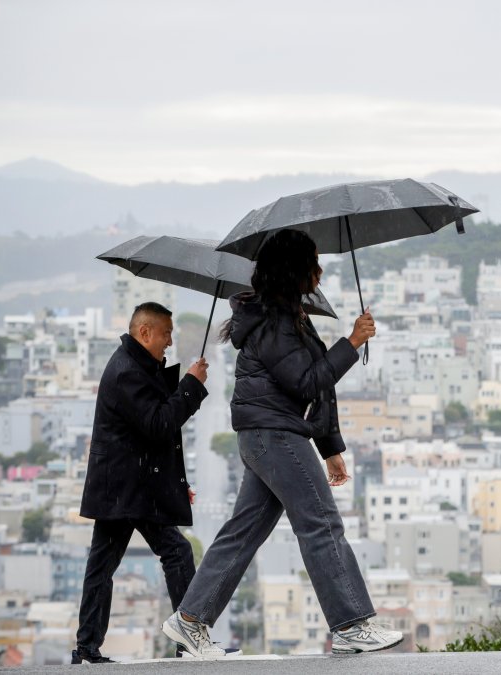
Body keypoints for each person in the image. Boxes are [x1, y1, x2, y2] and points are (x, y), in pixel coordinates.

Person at [162, 229, 401, 658]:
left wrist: (330, 448)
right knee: (322, 523)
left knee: (243, 532)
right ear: (295, 269)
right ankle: (349, 625)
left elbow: (315, 387)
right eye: (313, 261)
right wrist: (352, 342)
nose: (321, 269)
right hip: (275, 436)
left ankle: (190, 619)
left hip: (266, 435)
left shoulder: (289, 318)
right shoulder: (274, 323)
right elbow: (308, 382)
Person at [74, 302, 209, 664]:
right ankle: (190, 638)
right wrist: (192, 385)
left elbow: (150, 432)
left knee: (102, 565)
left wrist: (175, 486)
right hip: (127, 488)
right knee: (176, 553)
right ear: (144, 332)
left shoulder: (134, 364)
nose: (169, 340)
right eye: (165, 332)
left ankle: (87, 648)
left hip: (124, 484)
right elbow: (159, 425)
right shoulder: (127, 371)